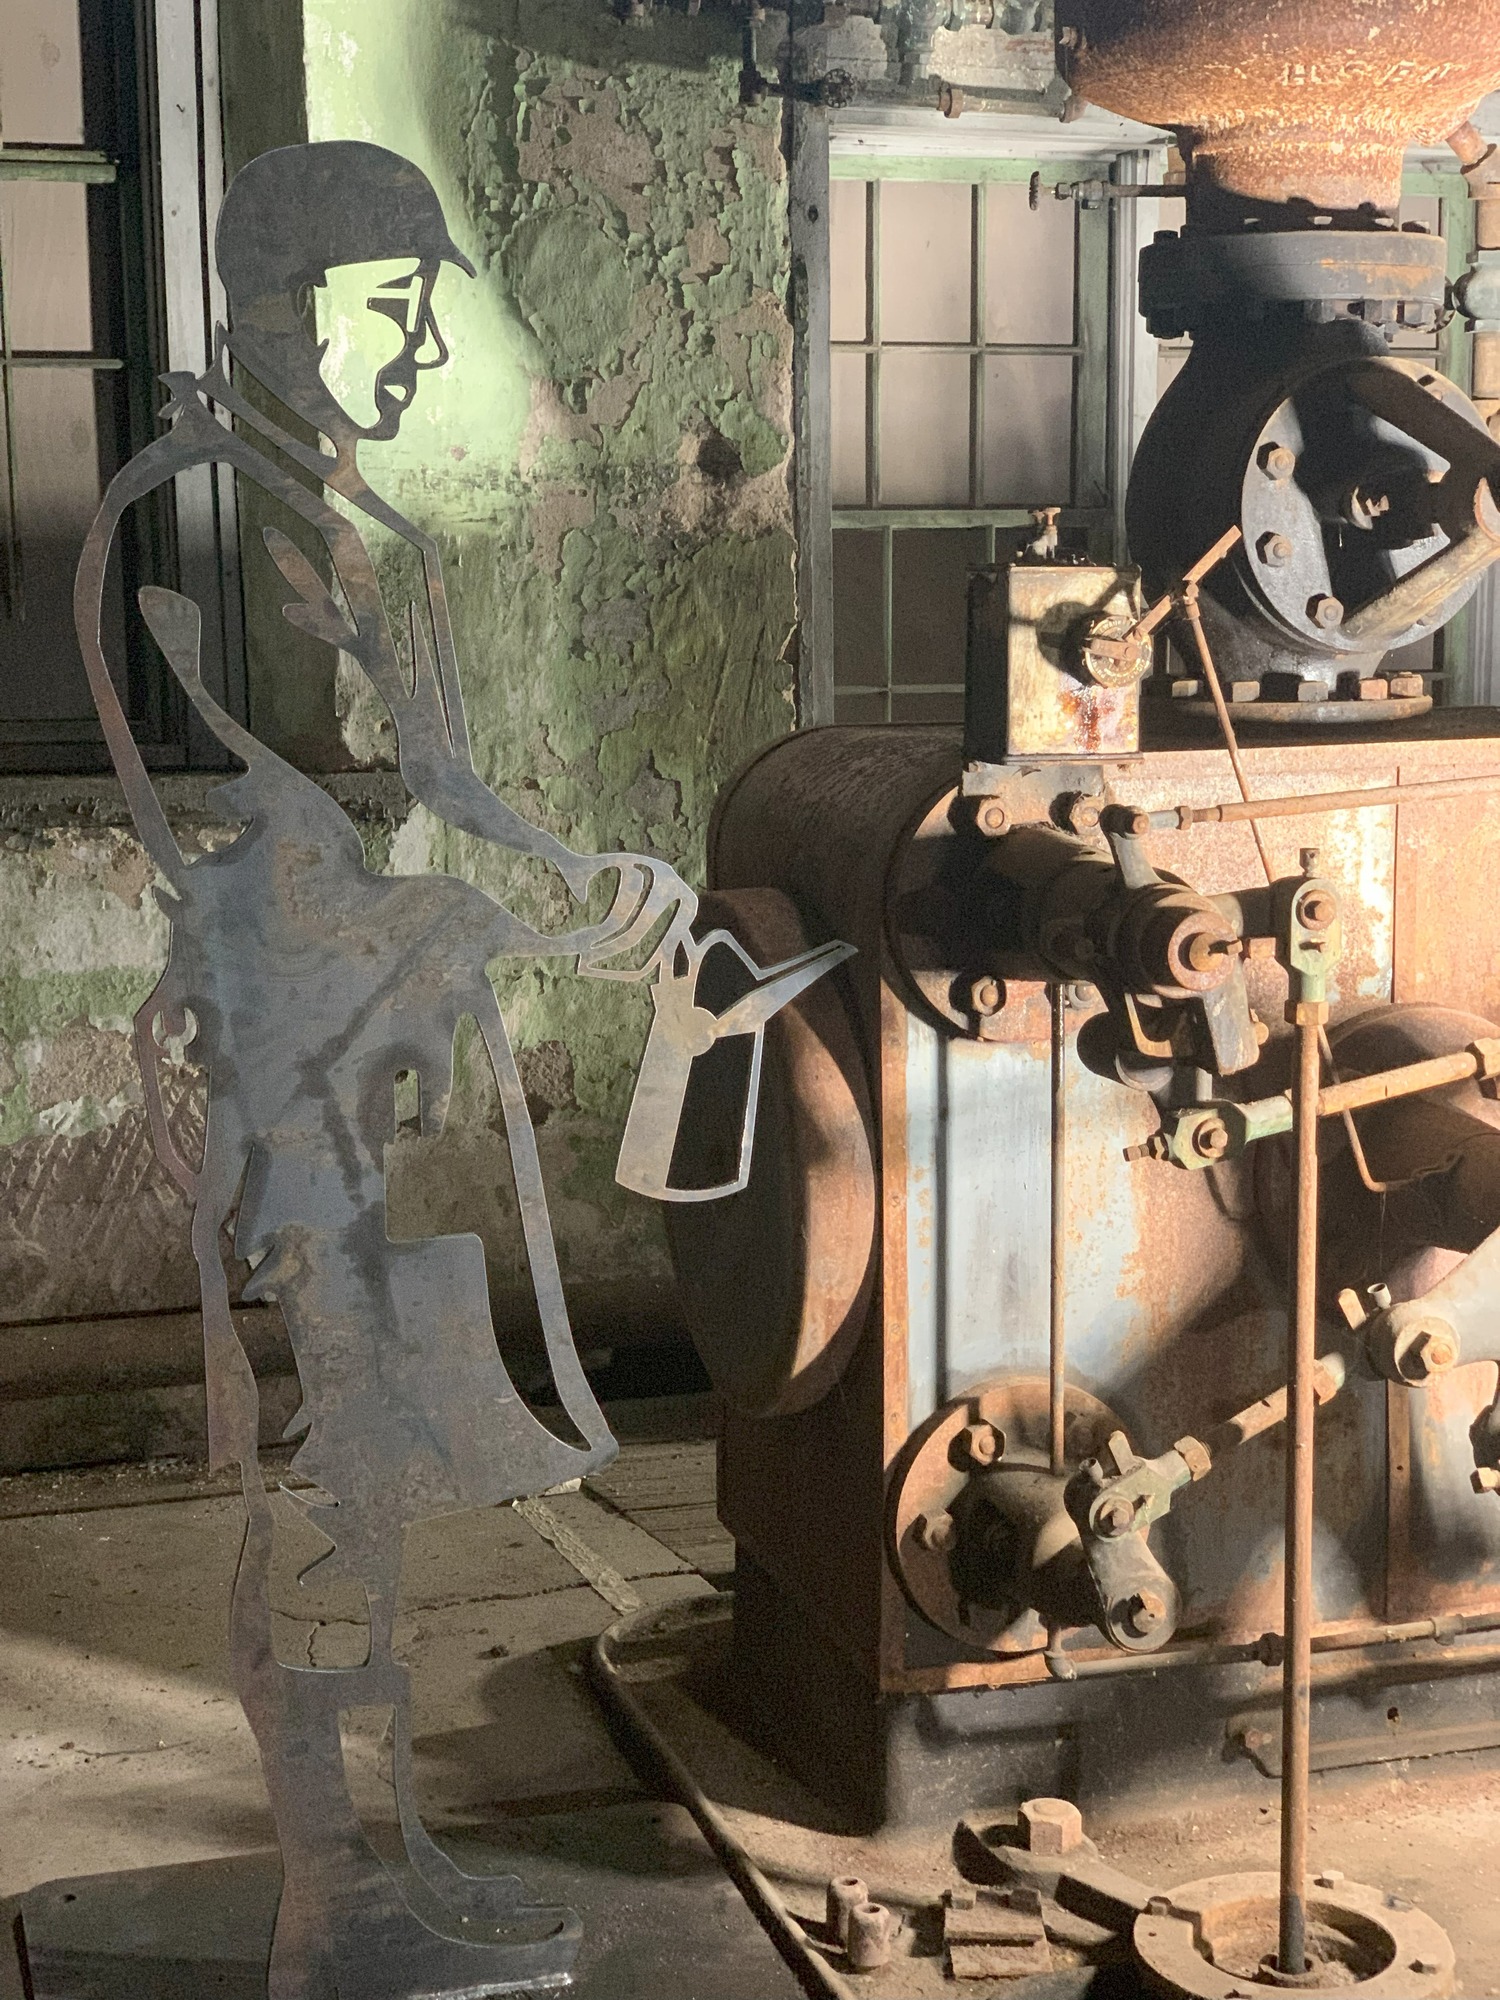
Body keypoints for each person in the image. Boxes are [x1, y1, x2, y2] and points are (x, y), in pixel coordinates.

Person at [71, 140, 842, 1999]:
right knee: (313, 1464)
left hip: (381, 1039)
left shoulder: (356, 529)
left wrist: (600, 887)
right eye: (393, 311)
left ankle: (389, 1842)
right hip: (290, 1066)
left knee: (388, 1467)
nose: (420, 353)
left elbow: (443, 789)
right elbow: (242, 850)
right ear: (294, 314)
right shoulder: (185, 518)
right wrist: (477, 927)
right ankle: (329, 1892)